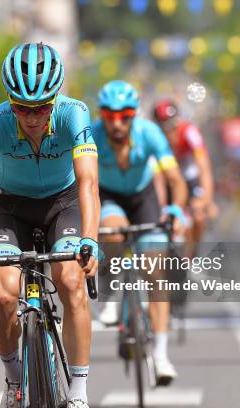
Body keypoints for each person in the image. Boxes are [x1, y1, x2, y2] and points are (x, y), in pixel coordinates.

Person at [0, 42, 101, 408]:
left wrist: (90, 239)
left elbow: (88, 184)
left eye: (41, 107)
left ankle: (79, 393)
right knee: (2, 293)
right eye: (21, 107)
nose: (32, 116)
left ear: (55, 98)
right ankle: (14, 380)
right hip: (10, 207)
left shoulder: (75, 113)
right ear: (9, 101)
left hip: (61, 204)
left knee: (70, 280)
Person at [93, 80, 187, 385]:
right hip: (108, 196)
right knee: (112, 232)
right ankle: (109, 287)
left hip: (143, 197)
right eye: (110, 115)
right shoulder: (91, 135)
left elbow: (175, 179)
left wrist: (175, 210)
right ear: (101, 114)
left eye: (125, 115)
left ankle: (160, 356)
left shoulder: (150, 133)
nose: (117, 123)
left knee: (156, 274)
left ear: (134, 115)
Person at [153, 99, 217, 255]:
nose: (171, 134)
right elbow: (157, 177)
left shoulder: (190, 131)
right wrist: (161, 207)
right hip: (168, 181)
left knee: (199, 215)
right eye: (165, 129)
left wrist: (207, 200)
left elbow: (204, 166)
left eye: (174, 127)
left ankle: (192, 253)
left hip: (190, 179)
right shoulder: (154, 137)